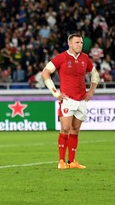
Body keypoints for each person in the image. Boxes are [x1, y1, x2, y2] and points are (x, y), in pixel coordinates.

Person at [41, 33, 99, 169]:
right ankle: (61, 161)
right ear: (70, 43)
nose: (80, 45)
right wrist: (55, 92)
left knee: (75, 130)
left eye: (81, 43)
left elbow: (95, 74)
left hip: (81, 99)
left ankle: (72, 161)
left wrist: (91, 91)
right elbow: (45, 73)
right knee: (65, 128)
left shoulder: (85, 58)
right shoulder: (61, 57)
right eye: (77, 42)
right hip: (67, 99)